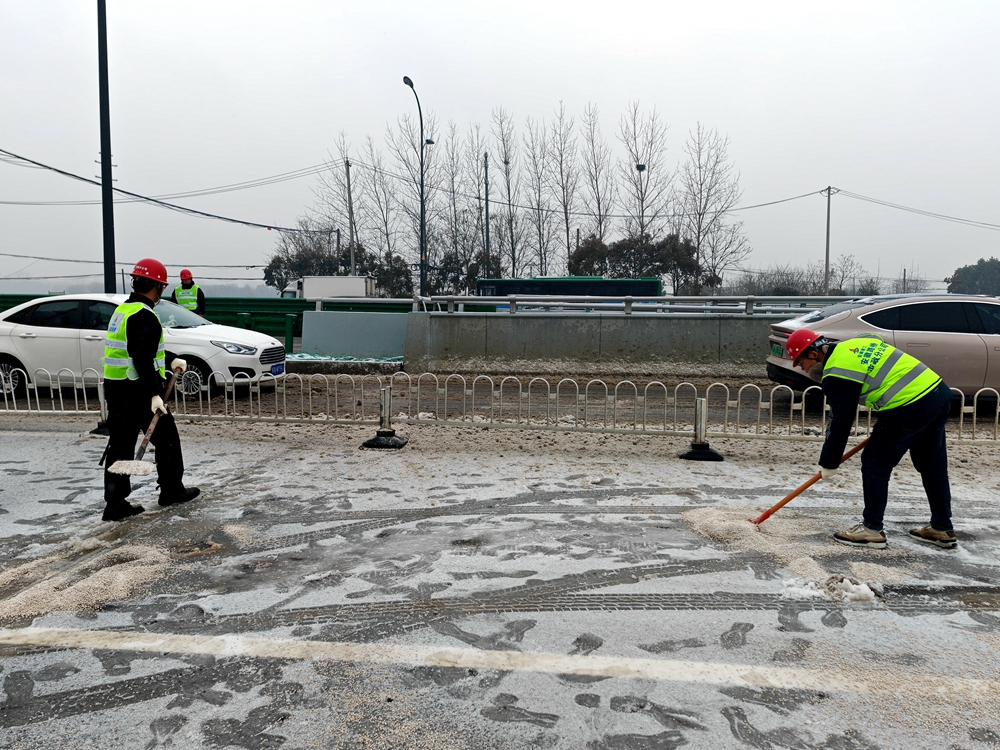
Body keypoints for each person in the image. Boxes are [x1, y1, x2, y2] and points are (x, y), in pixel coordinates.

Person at [786, 329, 956, 550]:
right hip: (937, 394)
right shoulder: (848, 348)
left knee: (875, 463)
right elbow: (876, 340)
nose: (804, 370)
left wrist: (829, 461)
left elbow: (840, 421)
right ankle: (942, 527)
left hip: (908, 405)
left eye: (801, 363)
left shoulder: (836, 372)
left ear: (813, 354)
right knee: (931, 465)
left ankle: (872, 530)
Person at [103, 258, 201, 521]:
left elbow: (143, 349)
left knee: (120, 446)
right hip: (138, 392)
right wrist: (155, 394)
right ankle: (171, 490)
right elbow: (142, 358)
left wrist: (171, 359)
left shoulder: (124, 310)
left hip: (117, 388)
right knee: (167, 439)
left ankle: (115, 504)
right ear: (157, 287)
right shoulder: (144, 315)